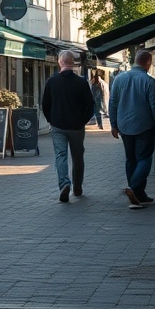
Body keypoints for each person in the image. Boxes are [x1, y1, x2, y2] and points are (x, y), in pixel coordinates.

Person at [109, 49, 155, 209]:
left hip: (124, 126)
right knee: (145, 158)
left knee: (130, 159)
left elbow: (112, 102)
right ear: (147, 63)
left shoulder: (119, 79)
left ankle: (139, 194)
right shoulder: (149, 81)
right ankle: (133, 188)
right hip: (144, 126)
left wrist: (113, 124)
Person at [42, 50, 95, 202]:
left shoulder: (52, 81)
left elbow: (45, 104)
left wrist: (51, 119)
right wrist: (82, 120)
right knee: (78, 157)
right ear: (72, 63)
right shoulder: (81, 82)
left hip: (58, 125)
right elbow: (90, 105)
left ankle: (64, 184)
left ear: (60, 62)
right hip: (76, 127)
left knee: (61, 155)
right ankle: (77, 187)